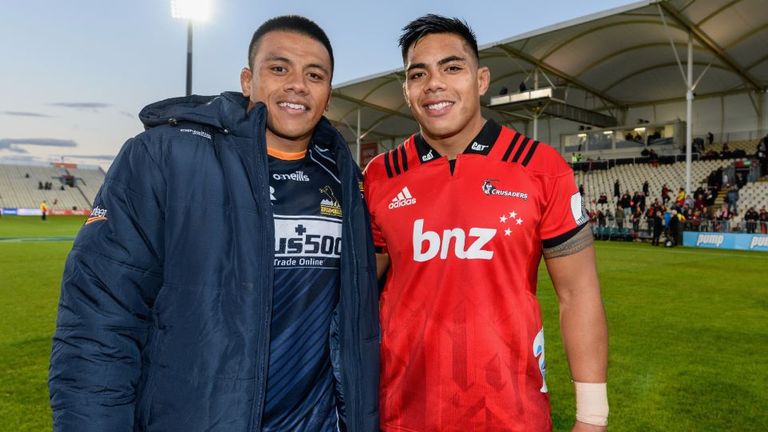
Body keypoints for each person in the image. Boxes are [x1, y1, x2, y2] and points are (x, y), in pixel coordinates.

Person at [49, 16, 379, 432]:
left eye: (314, 75)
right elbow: (100, 318)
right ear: (247, 80)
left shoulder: (343, 178)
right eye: (279, 68)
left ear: (327, 95)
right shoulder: (164, 157)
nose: (298, 84)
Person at [363, 15, 608, 431]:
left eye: (451, 67)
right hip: (403, 413)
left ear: (481, 80)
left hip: (511, 412)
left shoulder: (540, 167)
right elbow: (360, 290)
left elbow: (578, 293)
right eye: (418, 74)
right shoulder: (380, 175)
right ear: (406, 90)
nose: (434, 84)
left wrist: (592, 415)